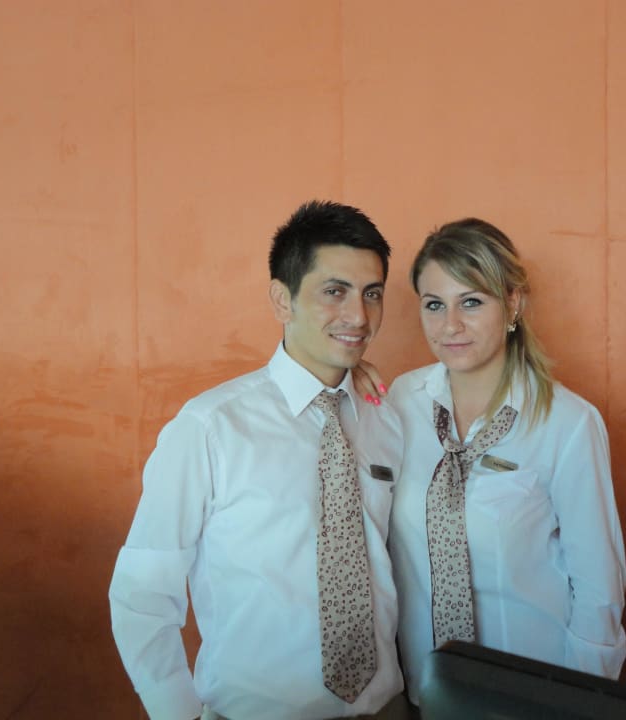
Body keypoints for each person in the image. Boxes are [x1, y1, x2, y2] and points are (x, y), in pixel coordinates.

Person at [109, 200, 410, 720]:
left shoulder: (387, 419)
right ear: (282, 300)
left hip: (387, 708)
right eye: (334, 291)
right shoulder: (210, 427)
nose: (359, 317)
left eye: (372, 293)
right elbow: (142, 593)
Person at [356, 218, 626, 706]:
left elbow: (598, 588)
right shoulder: (402, 400)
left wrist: (581, 701)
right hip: (424, 690)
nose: (450, 325)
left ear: (513, 304)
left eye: (472, 302)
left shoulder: (568, 423)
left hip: (532, 695)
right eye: (434, 304)